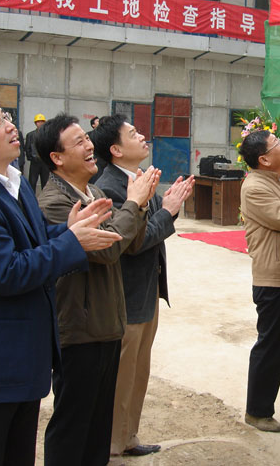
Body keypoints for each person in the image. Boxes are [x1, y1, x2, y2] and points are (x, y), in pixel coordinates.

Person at [0, 94, 122, 466]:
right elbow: (6, 272)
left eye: (6, 116)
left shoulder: (15, 182)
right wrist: (72, 242)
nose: (11, 126)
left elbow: (34, 240)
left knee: (18, 453)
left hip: (25, 353)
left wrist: (67, 230)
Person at [36, 114, 159, 466]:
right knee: (73, 422)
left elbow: (130, 242)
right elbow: (107, 250)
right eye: (78, 142)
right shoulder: (55, 203)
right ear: (57, 157)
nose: (89, 145)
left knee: (97, 424)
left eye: (86, 139)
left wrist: (142, 202)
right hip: (80, 327)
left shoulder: (97, 193)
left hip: (107, 321)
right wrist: (133, 204)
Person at [93, 115, 195, 458]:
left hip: (146, 289)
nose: (143, 137)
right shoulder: (110, 187)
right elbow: (132, 243)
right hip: (127, 293)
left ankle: (128, 436)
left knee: (139, 370)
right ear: (116, 149)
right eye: (133, 133)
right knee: (123, 373)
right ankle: (113, 442)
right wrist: (167, 211)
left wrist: (168, 208)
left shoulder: (138, 177)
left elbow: (152, 227)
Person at [238, 130, 280, 433]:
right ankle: (257, 412)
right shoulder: (255, 186)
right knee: (272, 344)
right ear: (264, 159)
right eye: (277, 144)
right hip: (273, 278)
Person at [25, 113, 49, 190]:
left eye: (42, 121)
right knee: (32, 182)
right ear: (35, 123)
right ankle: (31, 197)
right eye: (38, 122)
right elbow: (27, 148)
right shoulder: (30, 135)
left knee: (45, 182)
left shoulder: (48, 135)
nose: (40, 123)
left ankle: (45, 197)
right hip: (35, 162)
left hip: (45, 162)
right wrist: (31, 158)